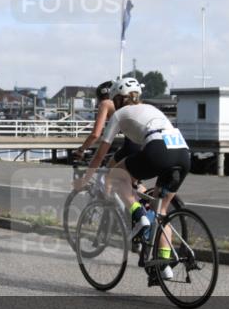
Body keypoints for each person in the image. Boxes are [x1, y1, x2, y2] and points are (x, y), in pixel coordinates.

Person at [74, 77, 191, 285]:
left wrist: (86, 179)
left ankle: (138, 214)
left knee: (114, 176)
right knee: (161, 212)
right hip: (182, 153)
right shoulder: (150, 108)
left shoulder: (118, 114)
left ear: (118, 99)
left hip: (158, 149)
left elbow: (101, 155)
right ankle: (163, 265)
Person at [71, 80, 139, 165]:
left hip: (132, 144)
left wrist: (81, 150)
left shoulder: (105, 103)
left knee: (109, 172)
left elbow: (95, 134)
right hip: (148, 143)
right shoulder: (132, 102)